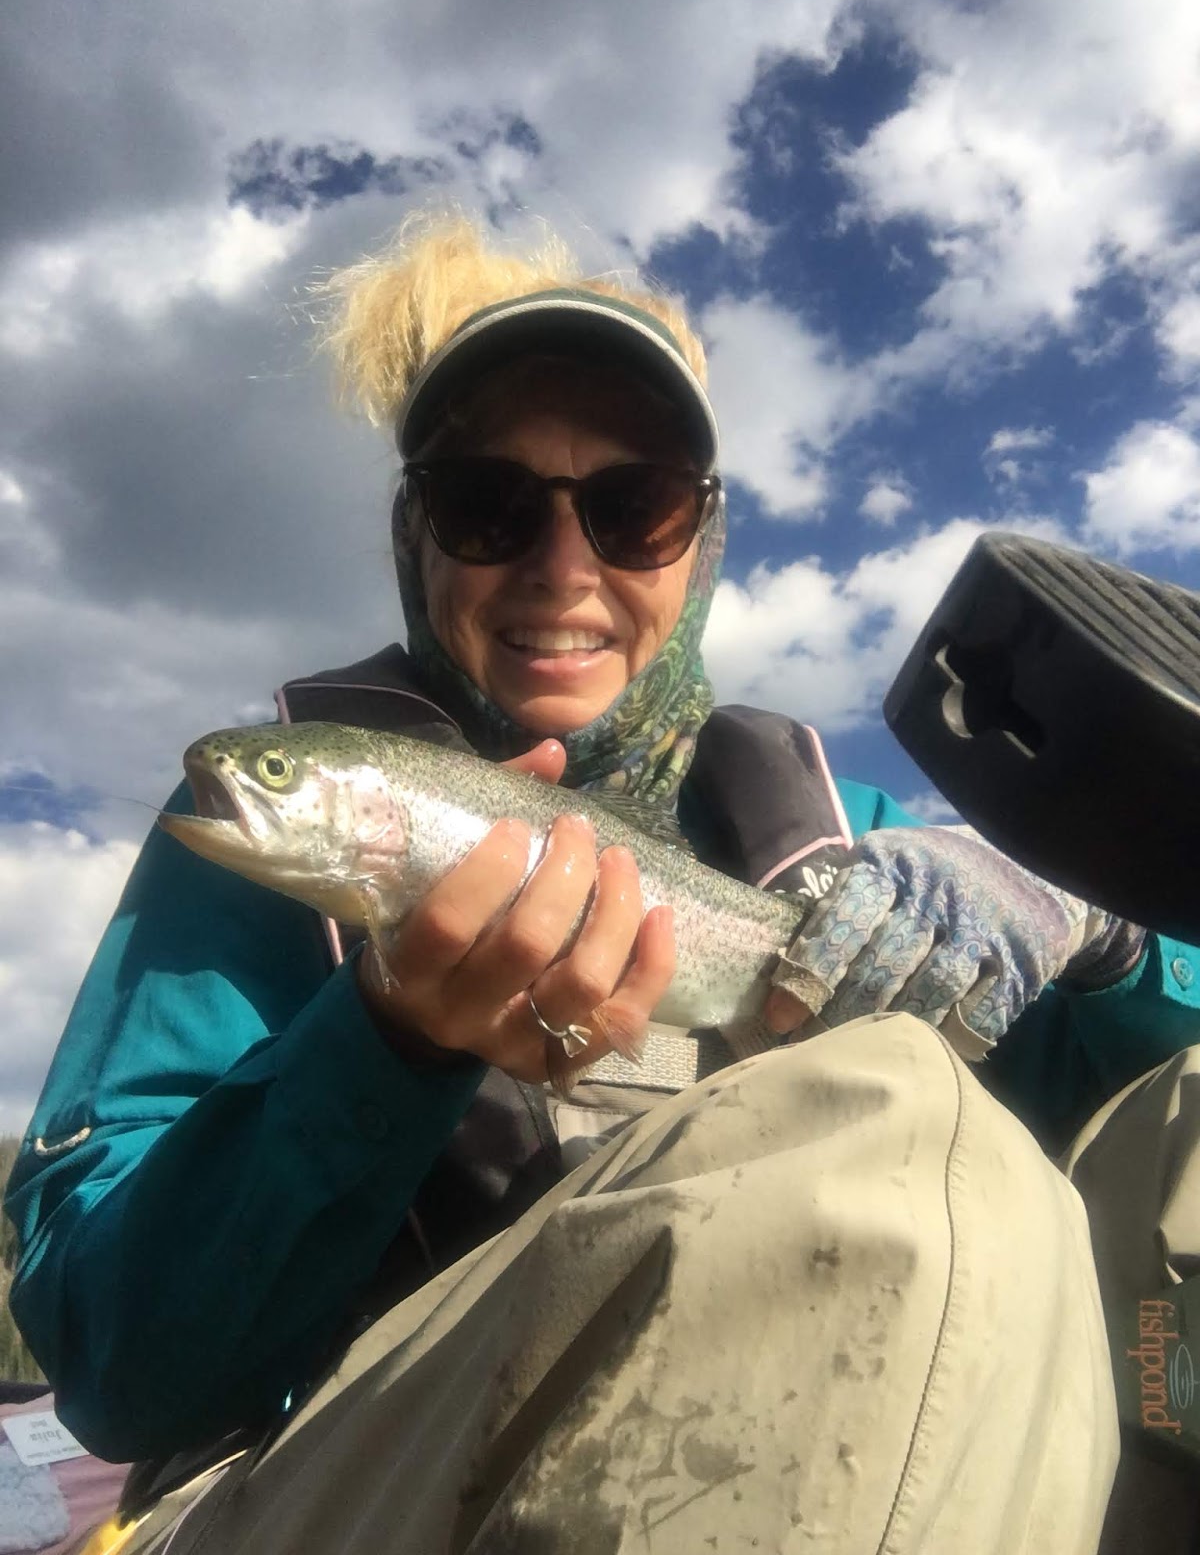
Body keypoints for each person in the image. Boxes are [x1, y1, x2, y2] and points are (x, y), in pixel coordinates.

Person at [7, 212, 1200, 1554]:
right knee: (881, 1112)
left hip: (895, 1445)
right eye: (488, 505)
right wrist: (384, 1046)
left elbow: (1152, 1126)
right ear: (419, 536)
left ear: (702, 545)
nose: (561, 569)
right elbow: (115, 1373)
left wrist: (1100, 930)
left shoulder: (850, 837)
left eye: (635, 507)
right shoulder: (270, 851)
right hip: (369, 1476)